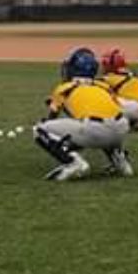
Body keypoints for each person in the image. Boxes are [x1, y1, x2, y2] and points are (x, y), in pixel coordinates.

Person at [34, 46, 132, 181]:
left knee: (40, 129)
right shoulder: (104, 86)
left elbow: (51, 118)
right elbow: (117, 108)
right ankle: (120, 160)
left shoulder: (64, 88)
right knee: (108, 122)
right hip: (121, 129)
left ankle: (73, 162)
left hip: (95, 130)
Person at [101, 47, 138, 129]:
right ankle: (137, 121)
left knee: (104, 99)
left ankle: (118, 123)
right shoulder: (130, 74)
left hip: (132, 107)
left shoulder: (110, 78)